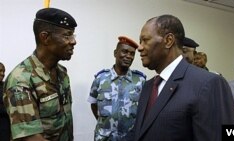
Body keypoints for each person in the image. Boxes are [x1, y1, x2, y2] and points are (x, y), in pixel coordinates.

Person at [132, 14, 234, 141]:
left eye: (145, 40)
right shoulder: (148, 87)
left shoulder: (208, 83)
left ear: (168, 41)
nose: (140, 47)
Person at [3, 8, 77, 141]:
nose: (73, 41)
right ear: (45, 37)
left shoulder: (62, 73)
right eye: (67, 35)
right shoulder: (21, 80)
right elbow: (30, 137)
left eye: (73, 35)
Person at [87, 36, 146, 141]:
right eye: (124, 51)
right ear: (115, 53)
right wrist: (105, 124)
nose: (128, 56)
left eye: (132, 54)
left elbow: (144, 110)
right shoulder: (101, 78)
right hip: (104, 138)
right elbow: (93, 104)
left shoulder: (140, 81)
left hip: (130, 138)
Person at [0, 62, 11, 141]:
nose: (2, 73)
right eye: (0, 71)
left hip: (5, 124)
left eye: (4, 71)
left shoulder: (6, 86)